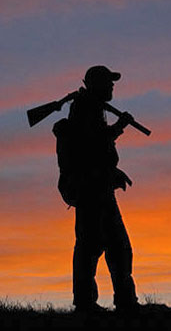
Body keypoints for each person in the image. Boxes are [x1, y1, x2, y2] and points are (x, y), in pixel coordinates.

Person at [67, 65, 139, 312]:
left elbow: (97, 148)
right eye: (108, 82)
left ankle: (120, 301)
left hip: (99, 186)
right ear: (95, 83)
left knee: (111, 246)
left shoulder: (91, 107)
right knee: (95, 246)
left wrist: (113, 172)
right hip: (92, 189)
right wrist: (120, 125)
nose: (112, 86)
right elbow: (92, 145)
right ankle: (89, 304)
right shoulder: (85, 107)